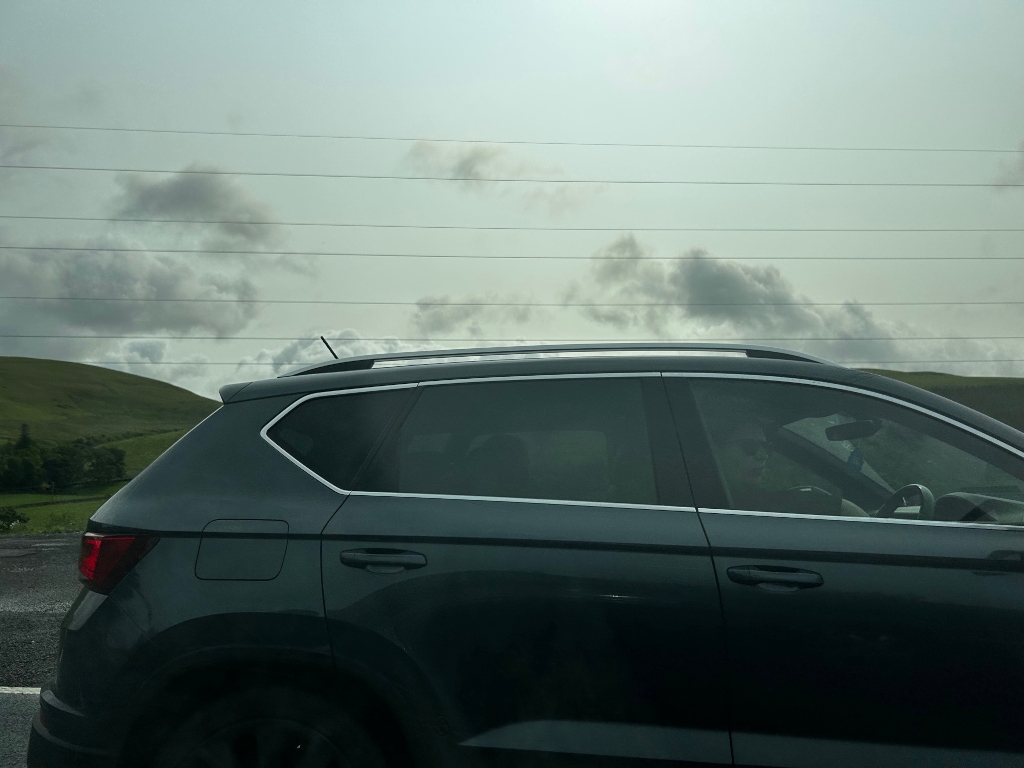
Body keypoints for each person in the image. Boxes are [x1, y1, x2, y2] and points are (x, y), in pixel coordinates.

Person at [707, 407, 868, 517]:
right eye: (750, 446)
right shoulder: (715, 501)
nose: (763, 456)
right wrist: (824, 502)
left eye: (767, 448)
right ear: (716, 451)